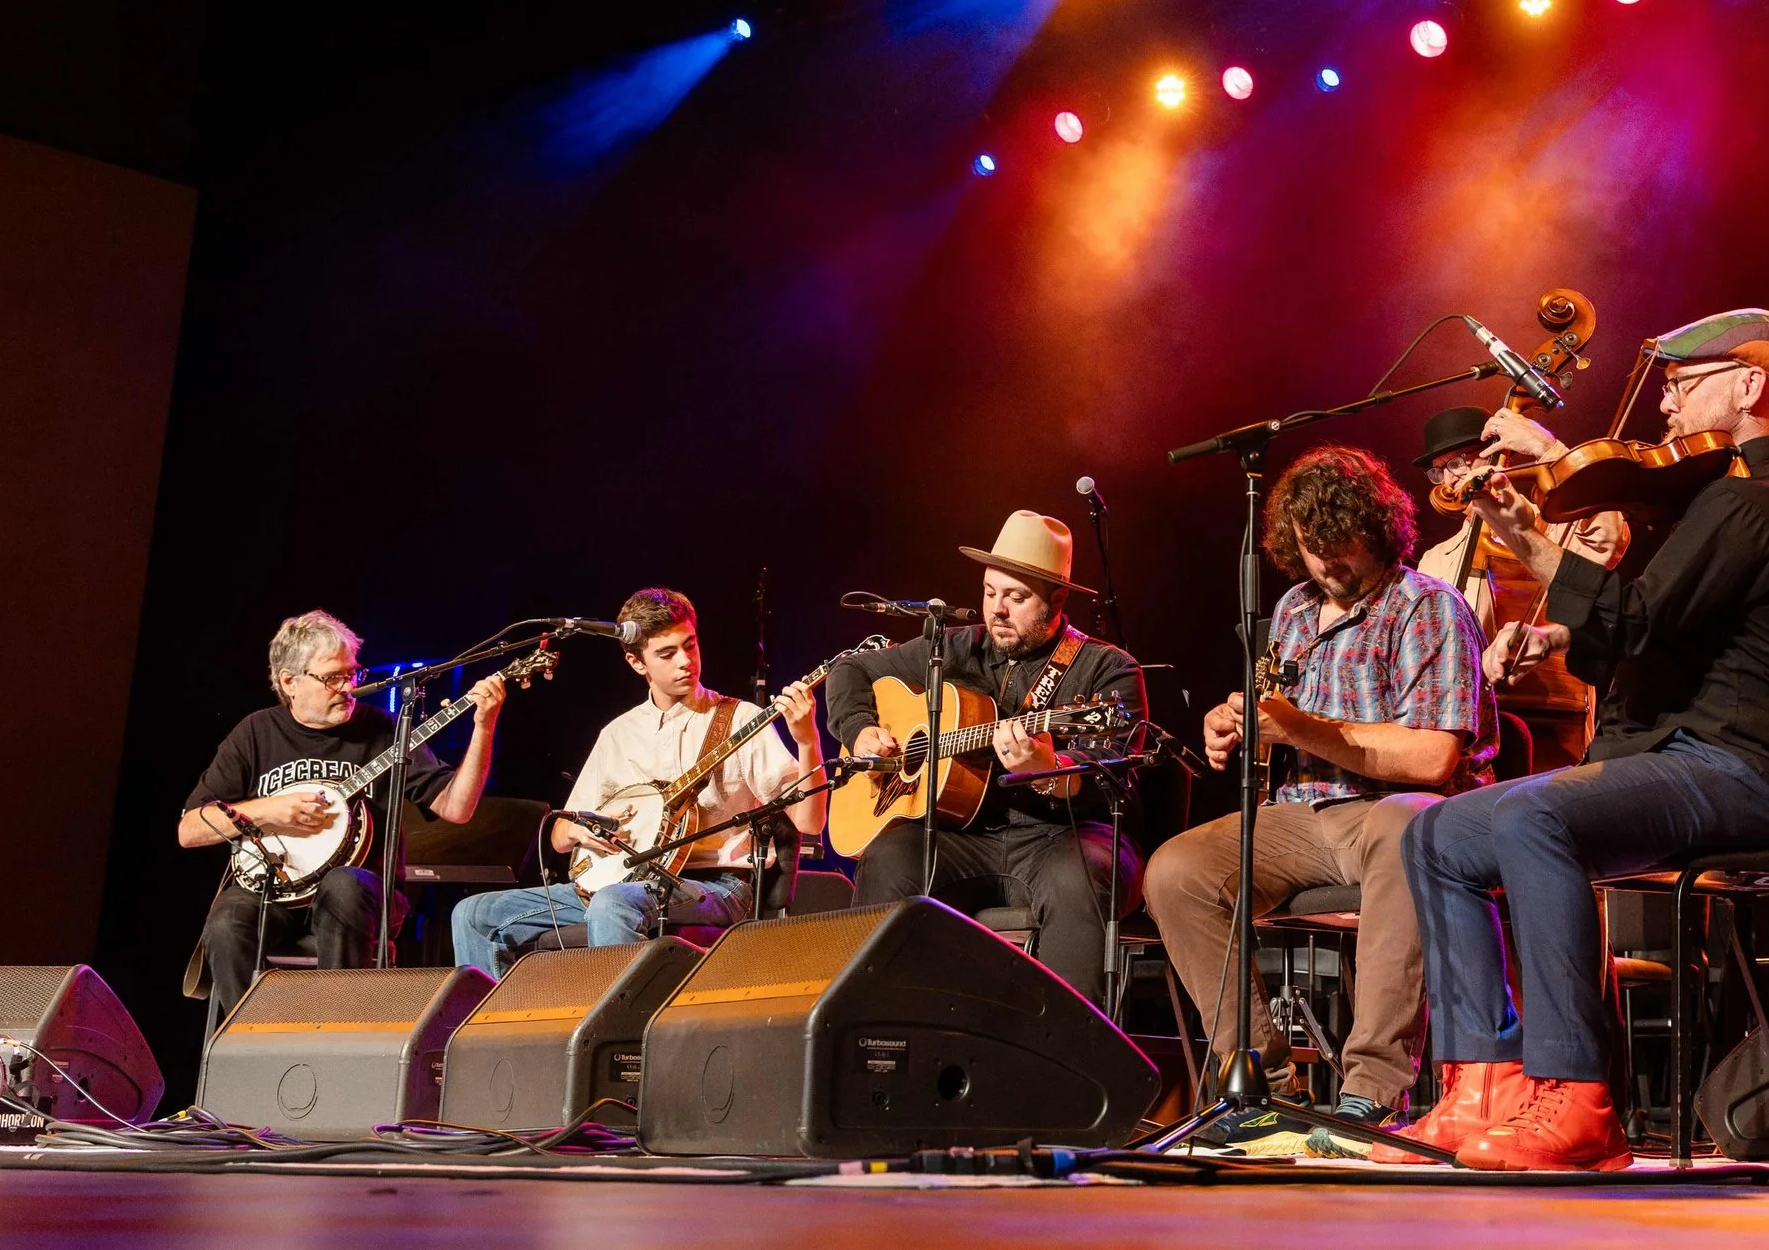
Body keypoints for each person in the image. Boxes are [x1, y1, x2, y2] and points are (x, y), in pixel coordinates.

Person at [1394, 309, 1769, 1170]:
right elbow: (1643, 633)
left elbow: (1631, 618)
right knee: (1436, 831)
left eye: (1684, 382)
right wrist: (1551, 613)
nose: (1665, 403)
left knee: (1532, 818)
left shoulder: (1758, 505)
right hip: (1669, 756)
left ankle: (1580, 1098)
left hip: (1732, 768)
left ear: (1748, 386)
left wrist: (1525, 533)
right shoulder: (1712, 498)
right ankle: (1484, 1079)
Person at [1144, 444, 1490, 1154]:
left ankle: (1371, 1090)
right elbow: (1279, 719)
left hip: (1398, 807)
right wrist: (1234, 721)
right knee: (1175, 870)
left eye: (1341, 548)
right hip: (1303, 815)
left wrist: (1301, 725)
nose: (1327, 565)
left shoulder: (1426, 606)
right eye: (1311, 550)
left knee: (1406, 828)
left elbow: (1433, 756)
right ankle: (1264, 1087)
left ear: (1380, 529)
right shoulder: (1295, 610)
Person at [827, 511, 1146, 1007]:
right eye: (990, 591)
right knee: (891, 856)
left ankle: (1068, 1057)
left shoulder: (1107, 669)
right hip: (964, 838)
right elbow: (849, 670)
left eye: (1016, 598)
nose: (997, 609)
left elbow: (1116, 773)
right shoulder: (955, 648)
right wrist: (860, 728)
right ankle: (879, 1031)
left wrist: (1048, 770)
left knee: (1077, 876)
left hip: (1063, 838)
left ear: (1056, 601)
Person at [451, 587, 825, 975]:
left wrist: (806, 740)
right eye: (667, 654)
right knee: (473, 914)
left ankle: (620, 1031)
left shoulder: (740, 718)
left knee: (614, 903)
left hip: (715, 885)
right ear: (636, 662)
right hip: (620, 881)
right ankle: (489, 1032)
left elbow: (810, 822)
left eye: (690, 646)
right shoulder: (618, 734)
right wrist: (580, 832)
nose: (685, 662)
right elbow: (559, 836)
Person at [181, 609, 510, 1005]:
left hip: (359, 895)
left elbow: (457, 808)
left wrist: (484, 727)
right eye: (332, 677)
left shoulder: (387, 730)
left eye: (353, 673)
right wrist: (269, 811)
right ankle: (246, 1044)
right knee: (227, 919)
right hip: (275, 893)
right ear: (290, 682)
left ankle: (336, 1031)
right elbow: (190, 829)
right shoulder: (256, 732)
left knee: (343, 885)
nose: (348, 687)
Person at [1412, 405, 1629, 770]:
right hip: (1470, 734)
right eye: (1440, 469)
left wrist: (1551, 453)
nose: (1449, 480)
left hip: (1551, 723)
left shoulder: (1550, 526)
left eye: (1459, 462)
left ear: (1500, 454)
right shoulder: (1436, 559)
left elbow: (1606, 534)